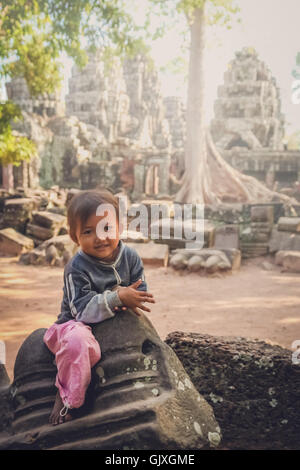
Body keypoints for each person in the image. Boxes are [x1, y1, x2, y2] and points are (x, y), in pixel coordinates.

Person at [43, 189, 155, 425]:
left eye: (106, 228)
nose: (100, 237)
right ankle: (67, 398)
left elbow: (139, 291)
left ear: (119, 227)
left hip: (116, 321)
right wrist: (117, 297)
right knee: (79, 344)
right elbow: (81, 310)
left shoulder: (131, 257)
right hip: (75, 325)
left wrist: (127, 297)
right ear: (74, 237)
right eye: (87, 231)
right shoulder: (77, 268)